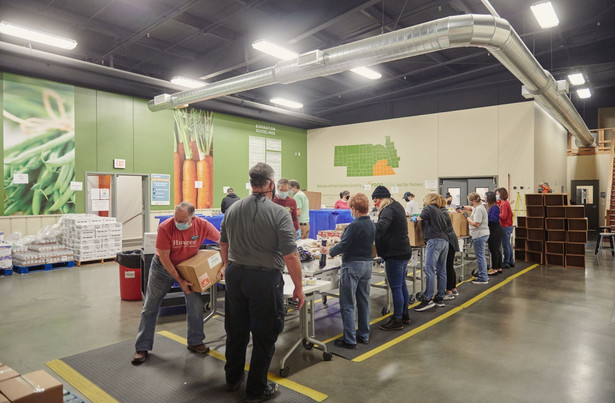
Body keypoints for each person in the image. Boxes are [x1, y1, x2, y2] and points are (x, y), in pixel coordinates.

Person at [218, 163, 305, 401]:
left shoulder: (233, 209)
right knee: (264, 333)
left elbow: (222, 243)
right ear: (270, 184)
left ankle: (232, 378)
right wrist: (298, 287)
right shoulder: (278, 213)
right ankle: (257, 387)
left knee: (236, 330)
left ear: (251, 182)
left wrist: (226, 265)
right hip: (264, 279)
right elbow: (291, 255)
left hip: (235, 275)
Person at [132, 202, 221, 365]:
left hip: (188, 268)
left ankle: (195, 342)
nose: (178, 223)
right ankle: (142, 347)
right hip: (163, 268)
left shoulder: (202, 225)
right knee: (150, 307)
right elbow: (165, 258)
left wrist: (223, 266)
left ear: (192, 218)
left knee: (195, 306)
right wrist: (180, 281)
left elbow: (223, 241)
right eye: (176, 219)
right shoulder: (166, 227)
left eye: (183, 221)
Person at [320, 193, 375, 349]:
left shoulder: (353, 226)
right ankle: (364, 335)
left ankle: (350, 340)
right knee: (363, 301)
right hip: (367, 265)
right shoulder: (371, 224)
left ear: (355, 209)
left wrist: (328, 250)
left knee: (348, 303)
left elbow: (343, 246)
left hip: (352, 265)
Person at [372, 186, 413, 330]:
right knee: (401, 284)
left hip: (394, 253)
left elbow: (382, 226)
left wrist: (365, 226)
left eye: (376, 200)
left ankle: (397, 320)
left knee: (395, 287)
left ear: (383, 198)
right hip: (403, 250)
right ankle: (405, 314)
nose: (375, 203)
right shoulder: (397, 206)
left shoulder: (388, 209)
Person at [410, 193, 449, 311]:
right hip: (444, 241)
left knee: (429, 269)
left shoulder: (428, 208)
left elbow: (419, 218)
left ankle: (427, 299)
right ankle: (439, 297)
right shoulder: (439, 210)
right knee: (441, 270)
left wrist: (414, 219)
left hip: (434, 240)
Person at [463, 192, 490, 284]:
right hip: (482, 234)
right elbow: (471, 208)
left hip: (479, 234)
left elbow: (476, 223)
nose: (470, 203)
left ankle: (483, 278)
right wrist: (462, 207)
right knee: (481, 256)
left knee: (480, 256)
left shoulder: (479, 209)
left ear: (474, 201)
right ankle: (484, 274)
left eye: (470, 201)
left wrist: (467, 218)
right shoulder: (479, 207)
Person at [438, 195, 460, 299]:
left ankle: (449, 290)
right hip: (451, 239)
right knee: (449, 265)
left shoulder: (442, 213)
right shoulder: (443, 211)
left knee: (447, 265)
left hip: (449, 240)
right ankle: (453, 288)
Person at [485, 191, 504, 275]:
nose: (484, 198)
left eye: (485, 197)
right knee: (496, 250)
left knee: (494, 250)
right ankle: (498, 267)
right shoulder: (490, 207)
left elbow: (493, 219)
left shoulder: (494, 207)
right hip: (494, 230)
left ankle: (495, 268)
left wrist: (484, 218)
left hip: (495, 231)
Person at [496, 187, 514, 268]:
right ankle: (510, 261)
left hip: (505, 226)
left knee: (505, 245)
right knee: (508, 245)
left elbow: (503, 216)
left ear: (501, 194)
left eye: (497, 194)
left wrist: (496, 213)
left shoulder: (504, 204)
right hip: (508, 225)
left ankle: (506, 262)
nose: (496, 196)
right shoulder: (505, 203)